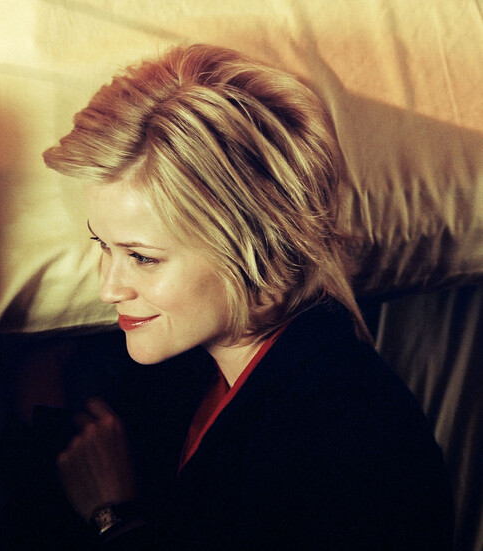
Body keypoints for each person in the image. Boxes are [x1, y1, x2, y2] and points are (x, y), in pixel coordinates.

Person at [42, 44, 454, 549]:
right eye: (102, 245)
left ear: (260, 248)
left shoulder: (350, 443)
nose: (108, 287)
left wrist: (114, 517)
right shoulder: (189, 367)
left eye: (142, 257)